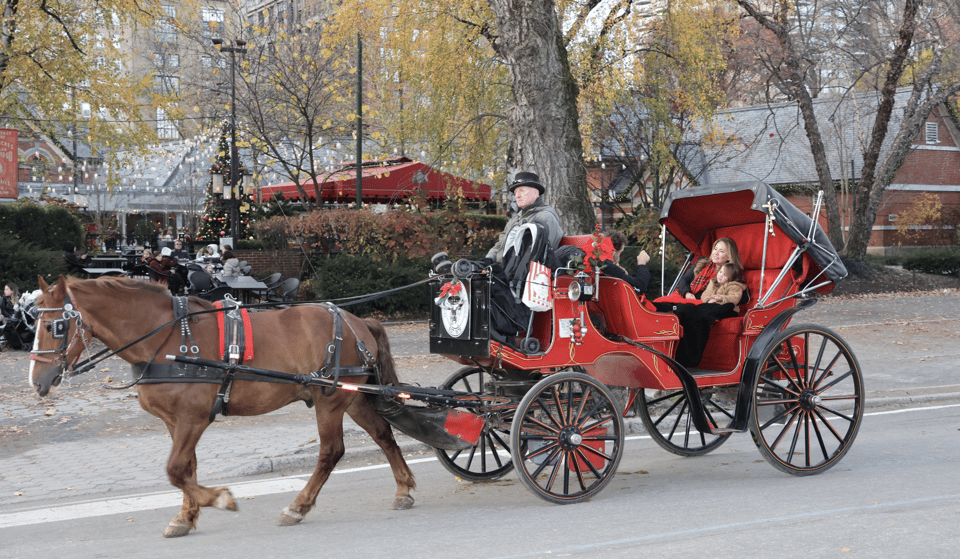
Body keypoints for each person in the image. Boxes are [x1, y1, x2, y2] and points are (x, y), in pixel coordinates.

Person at [655, 237, 744, 367]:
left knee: (683, 311)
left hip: (704, 303)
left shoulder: (729, 273)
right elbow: (684, 280)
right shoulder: (702, 263)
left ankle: (682, 357)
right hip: (687, 296)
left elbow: (737, 293)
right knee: (660, 305)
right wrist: (687, 293)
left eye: (722, 251)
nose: (716, 253)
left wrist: (713, 299)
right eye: (715, 249)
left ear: (729, 256)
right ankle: (661, 349)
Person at [483, 172, 564, 265]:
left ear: (535, 193)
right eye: (516, 192)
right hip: (503, 270)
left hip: (522, 275)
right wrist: (489, 258)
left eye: (522, 190)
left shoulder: (545, 217)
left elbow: (540, 255)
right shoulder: (515, 219)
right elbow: (500, 244)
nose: (517, 195)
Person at [1, 283, 20, 349]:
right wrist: (9, 316)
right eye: (4, 289)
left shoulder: (19, 297)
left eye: (7, 289)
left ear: (12, 290)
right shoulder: (4, 298)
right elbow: (3, 310)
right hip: (7, 318)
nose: (4, 291)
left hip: (17, 317)